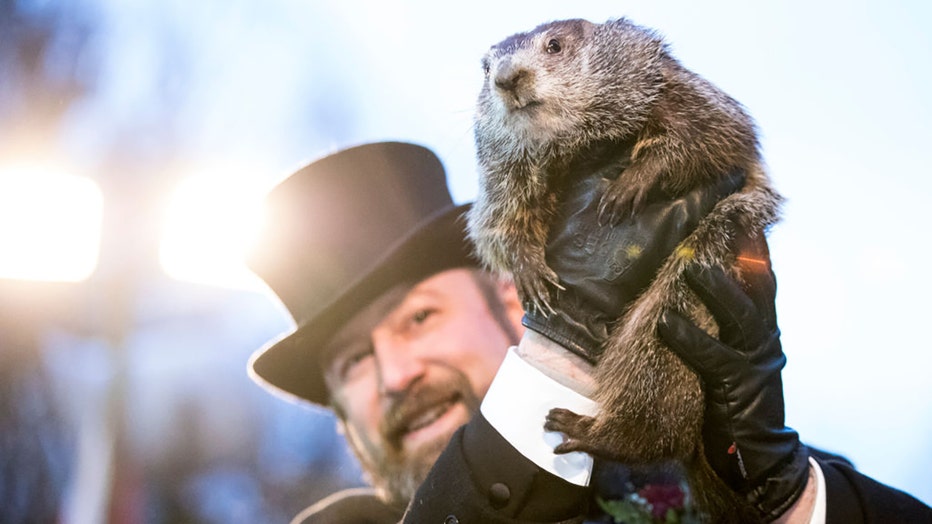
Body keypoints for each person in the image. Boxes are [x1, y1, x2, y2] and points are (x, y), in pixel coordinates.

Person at [245, 141, 931, 523]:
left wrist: (787, 503)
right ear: (341, 423)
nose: (396, 376)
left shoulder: (721, 473)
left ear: (514, 304)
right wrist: (561, 359)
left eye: (420, 318)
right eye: (353, 363)